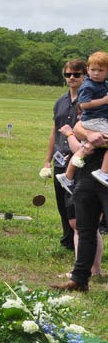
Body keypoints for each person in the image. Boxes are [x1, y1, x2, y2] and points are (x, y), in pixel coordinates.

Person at [53, 122, 108, 292]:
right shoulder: (96, 109)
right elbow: (77, 127)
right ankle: (79, 280)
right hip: (88, 173)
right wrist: (90, 136)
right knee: (84, 228)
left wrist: (99, 141)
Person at [43, 60, 86, 250]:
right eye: (68, 74)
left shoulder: (89, 102)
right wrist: (47, 161)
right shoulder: (60, 102)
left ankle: (81, 239)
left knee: (75, 202)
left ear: (85, 76)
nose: (72, 78)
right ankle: (68, 238)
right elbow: (54, 132)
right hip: (60, 159)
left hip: (80, 160)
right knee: (62, 201)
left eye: (76, 74)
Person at [56, 52, 108, 191]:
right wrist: (88, 134)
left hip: (96, 123)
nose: (96, 73)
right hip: (96, 122)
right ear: (88, 70)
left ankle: (68, 176)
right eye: (93, 70)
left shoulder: (103, 85)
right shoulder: (89, 86)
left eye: (100, 70)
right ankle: (103, 173)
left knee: (85, 148)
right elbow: (79, 122)